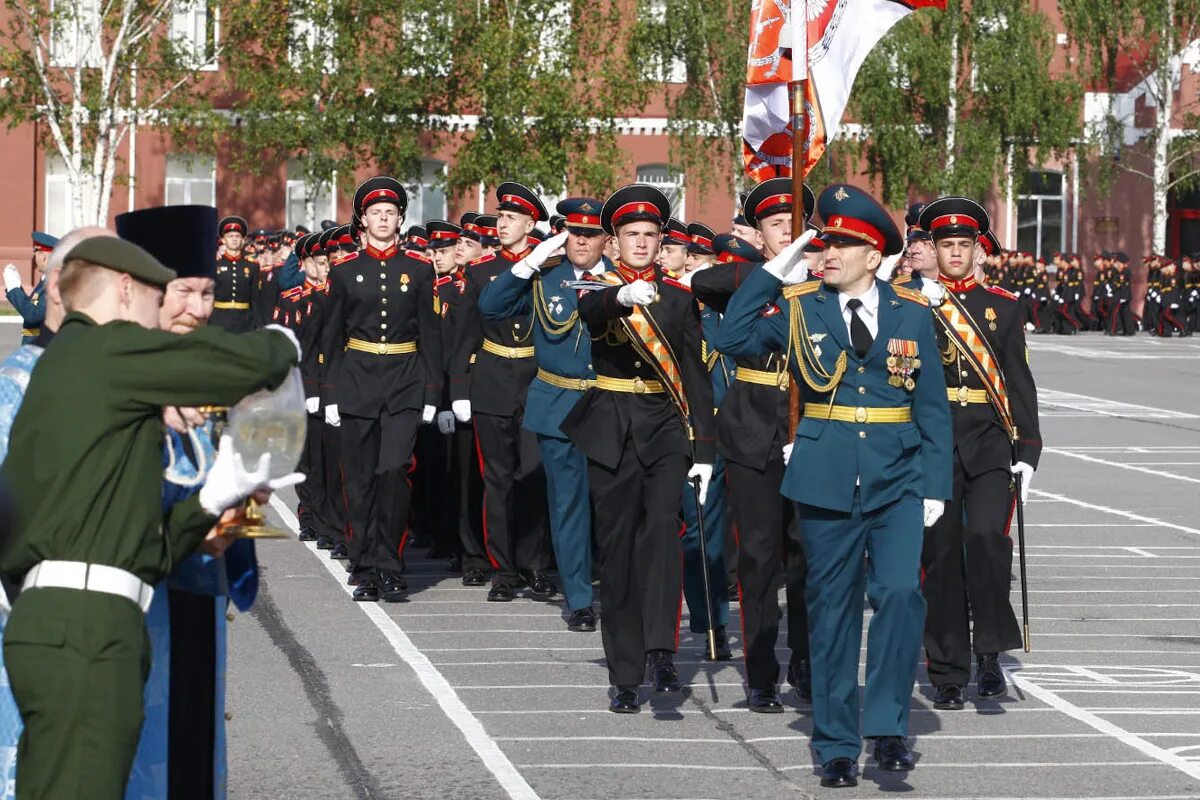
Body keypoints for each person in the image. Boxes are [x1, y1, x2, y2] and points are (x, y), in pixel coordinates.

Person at [0, 234, 301, 800]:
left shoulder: (80, 369)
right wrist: (279, 343)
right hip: (83, 628)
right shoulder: (102, 351)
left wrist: (214, 500)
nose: (166, 310)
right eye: (161, 294)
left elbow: (139, 541)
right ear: (124, 288)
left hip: (85, 619)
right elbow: (237, 363)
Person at [715, 183, 952, 787]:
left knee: (900, 594)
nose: (830, 252)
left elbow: (932, 406)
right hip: (825, 480)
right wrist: (776, 269)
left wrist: (935, 486)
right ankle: (838, 743)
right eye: (826, 242)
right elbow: (730, 337)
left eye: (844, 243)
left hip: (898, 477)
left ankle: (890, 728)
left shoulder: (912, 313)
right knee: (832, 611)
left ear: (875, 256)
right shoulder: (799, 307)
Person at [560, 184, 715, 713]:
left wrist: (706, 451)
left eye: (651, 235)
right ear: (614, 240)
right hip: (610, 428)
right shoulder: (593, 286)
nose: (643, 243)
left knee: (662, 544)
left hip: (664, 429)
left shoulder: (677, 296)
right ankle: (625, 670)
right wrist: (620, 297)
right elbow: (591, 313)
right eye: (632, 235)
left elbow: (695, 373)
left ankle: (661, 650)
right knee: (619, 550)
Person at [691, 178, 816, 712]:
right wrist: (770, 273)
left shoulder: (828, 282)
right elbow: (704, 287)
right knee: (760, 555)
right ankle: (762, 670)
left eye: (795, 222)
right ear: (758, 234)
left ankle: (808, 661)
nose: (787, 230)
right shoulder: (746, 280)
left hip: (811, 427)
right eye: (774, 224)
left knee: (811, 554)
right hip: (752, 429)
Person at [915, 197, 1041, 710]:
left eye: (964, 246)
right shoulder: (913, 303)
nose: (955, 254)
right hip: (934, 440)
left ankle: (988, 655)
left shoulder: (1004, 306)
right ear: (934, 250)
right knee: (941, 555)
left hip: (989, 439)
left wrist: (1028, 451)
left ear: (976, 251)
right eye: (946, 246)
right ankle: (947, 668)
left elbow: (1018, 381)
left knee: (987, 541)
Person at [479, 197, 610, 631]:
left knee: (614, 506)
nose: (582, 242)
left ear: (606, 239)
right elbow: (491, 306)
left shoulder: (619, 279)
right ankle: (580, 599)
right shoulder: (545, 281)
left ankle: (618, 585)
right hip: (558, 405)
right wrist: (529, 262)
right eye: (575, 233)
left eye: (591, 235)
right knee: (568, 505)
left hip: (611, 405)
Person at [320, 176, 442, 602]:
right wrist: (329, 393)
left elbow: (432, 336)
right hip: (357, 381)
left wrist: (432, 393)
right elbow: (332, 338)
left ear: (401, 219)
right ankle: (364, 562)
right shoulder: (344, 272)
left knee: (393, 471)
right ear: (363, 221)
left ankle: (390, 562)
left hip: (405, 381)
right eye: (376, 213)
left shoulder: (420, 270)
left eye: (391, 213)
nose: (384, 219)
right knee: (358, 480)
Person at [450, 182, 555, 603]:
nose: (502, 223)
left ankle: (536, 564)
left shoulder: (550, 269)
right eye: (501, 217)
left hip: (537, 379)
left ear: (531, 224)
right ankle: (503, 570)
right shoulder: (479, 271)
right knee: (497, 480)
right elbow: (463, 336)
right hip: (492, 378)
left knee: (535, 474)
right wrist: (459, 388)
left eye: (512, 218)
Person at [3, 232, 57, 344]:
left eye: (37, 252)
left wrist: (14, 290)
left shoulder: (53, 284)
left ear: (45, 258)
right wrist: (18, 289)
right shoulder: (46, 281)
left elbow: (33, 315)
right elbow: (31, 306)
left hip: (40, 348)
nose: (34, 257)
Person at [211, 216, 258, 333]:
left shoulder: (252, 266)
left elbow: (255, 299)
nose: (234, 239)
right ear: (223, 240)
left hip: (244, 321)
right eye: (230, 236)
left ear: (243, 240)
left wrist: (258, 323)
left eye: (237, 236)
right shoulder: (214, 264)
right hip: (218, 319)